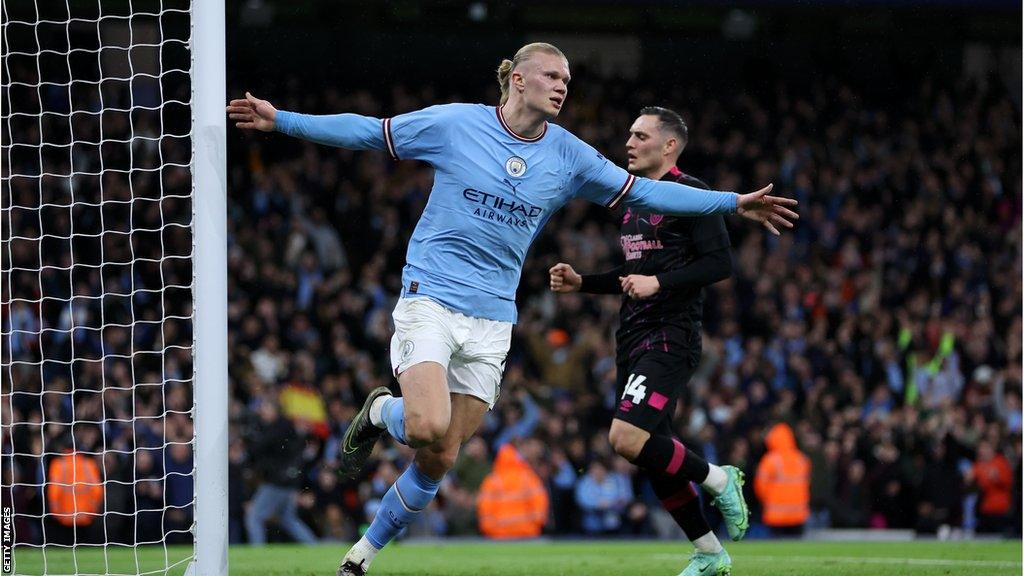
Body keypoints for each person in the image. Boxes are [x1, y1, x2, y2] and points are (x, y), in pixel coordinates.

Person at [227, 42, 797, 575]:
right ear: (518, 80)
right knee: (426, 424)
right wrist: (284, 121)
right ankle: (381, 412)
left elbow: (646, 191)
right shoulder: (456, 125)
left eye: (567, 79)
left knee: (440, 455)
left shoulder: (569, 154)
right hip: (432, 296)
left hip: (494, 318)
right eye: (552, 76)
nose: (563, 86)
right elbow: (370, 132)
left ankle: (359, 558)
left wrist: (732, 203)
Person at [549, 107, 744, 575]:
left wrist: (660, 283)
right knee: (653, 454)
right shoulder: (633, 200)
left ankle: (719, 478)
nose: (629, 143)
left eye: (640, 136)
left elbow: (720, 263)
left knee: (625, 438)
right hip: (632, 336)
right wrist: (583, 283)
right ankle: (710, 553)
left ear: (669, 145)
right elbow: (634, 273)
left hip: (670, 337)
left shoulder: (692, 193)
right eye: (629, 134)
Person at [753, 423, 811, 537]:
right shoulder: (801, 459)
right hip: (798, 514)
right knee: (798, 546)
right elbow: (807, 484)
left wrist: (767, 501)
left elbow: (760, 486)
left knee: (776, 546)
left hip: (775, 515)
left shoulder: (769, 460)